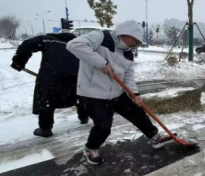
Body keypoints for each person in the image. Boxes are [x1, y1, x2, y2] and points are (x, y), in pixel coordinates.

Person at [66, 20, 176, 165]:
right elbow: (74, 45)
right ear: (125, 33)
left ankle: (155, 137)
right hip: (94, 94)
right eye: (134, 40)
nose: (134, 43)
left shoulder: (128, 54)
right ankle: (91, 148)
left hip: (117, 93)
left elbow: (128, 75)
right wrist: (102, 63)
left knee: (138, 113)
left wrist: (135, 94)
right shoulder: (101, 37)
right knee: (103, 127)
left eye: (137, 42)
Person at [11, 33, 89, 138]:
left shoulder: (47, 40)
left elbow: (27, 44)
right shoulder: (77, 44)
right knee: (79, 94)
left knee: (47, 98)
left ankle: (45, 128)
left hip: (52, 74)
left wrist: (18, 62)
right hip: (75, 74)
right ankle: (84, 117)